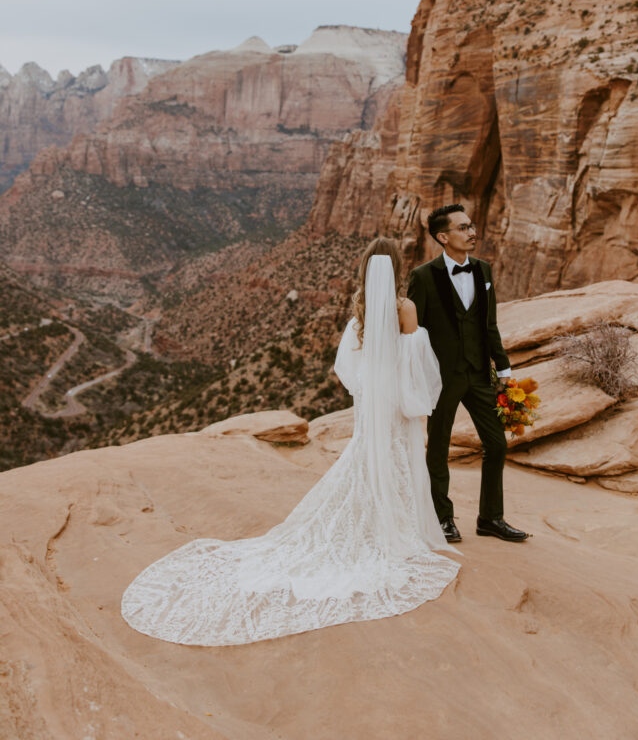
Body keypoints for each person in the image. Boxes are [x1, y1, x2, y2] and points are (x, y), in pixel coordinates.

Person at [121, 238, 459, 646]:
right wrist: (413, 403)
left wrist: (368, 393)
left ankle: (376, 520)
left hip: (371, 402)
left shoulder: (362, 310)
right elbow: (414, 363)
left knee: (367, 458)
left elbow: (347, 367)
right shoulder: (405, 308)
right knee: (397, 458)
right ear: (398, 266)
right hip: (393, 404)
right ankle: (398, 529)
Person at [408, 204, 528, 544]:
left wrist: (502, 369)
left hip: (478, 374)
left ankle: (490, 518)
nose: (472, 231)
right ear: (443, 237)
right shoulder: (423, 276)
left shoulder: (483, 270)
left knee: (497, 443)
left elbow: (489, 324)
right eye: (463, 228)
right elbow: (415, 334)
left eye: (472, 225)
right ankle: (442, 518)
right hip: (441, 378)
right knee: (438, 448)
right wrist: (418, 377)